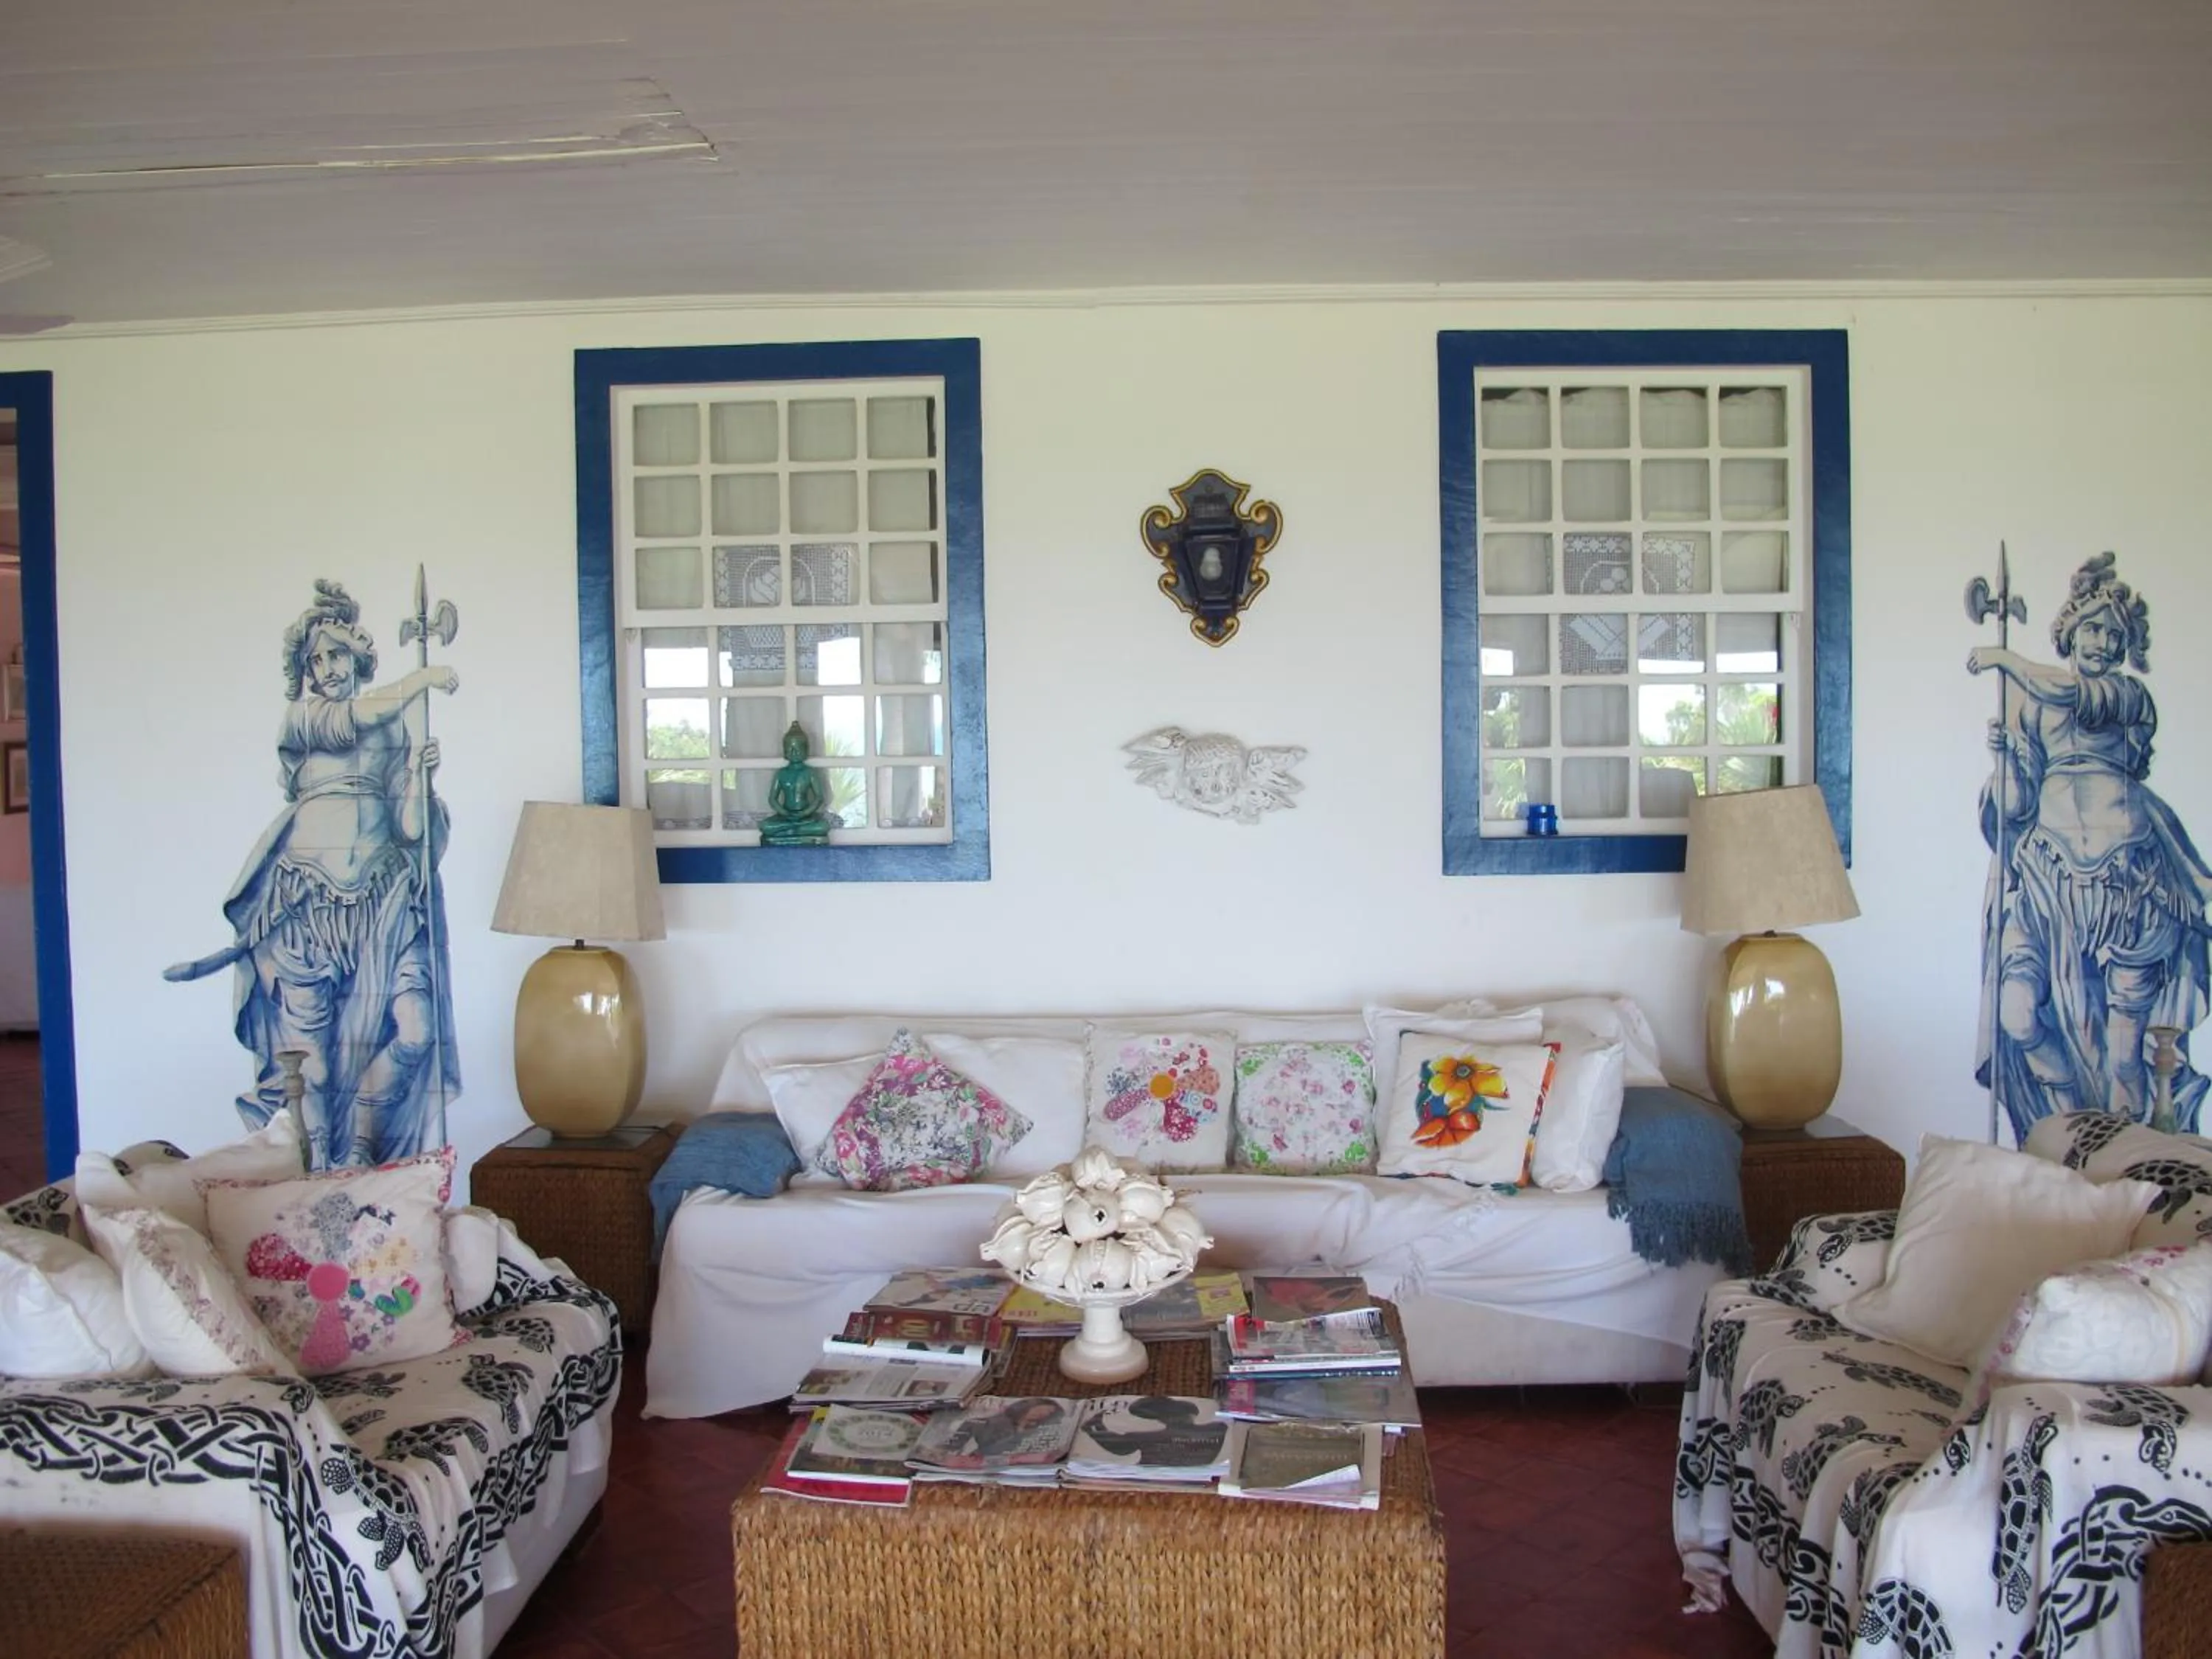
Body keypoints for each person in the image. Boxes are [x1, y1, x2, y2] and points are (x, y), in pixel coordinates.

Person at [167, 580, 461, 1167]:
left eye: (337, 654)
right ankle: (322, 1167)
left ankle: (360, 1141)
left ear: (358, 656)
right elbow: (357, 716)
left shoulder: (396, 725)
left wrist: (421, 780)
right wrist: (422, 680)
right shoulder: (305, 718)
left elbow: (409, 828)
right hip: (308, 909)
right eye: (316, 659)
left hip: (383, 904)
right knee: (314, 1063)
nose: (326, 667)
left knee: (415, 1030)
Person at [1968, 553, 2210, 1139]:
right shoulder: (2028, 704)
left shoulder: (2126, 698)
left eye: (2114, 634)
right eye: (2094, 628)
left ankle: (2121, 1158)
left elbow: (2074, 695)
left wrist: (2004, 657)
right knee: (2019, 1015)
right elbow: (2018, 806)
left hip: (2130, 888)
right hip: (2049, 886)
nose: (2103, 642)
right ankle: (2066, 1125)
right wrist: (2004, 760)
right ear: (2071, 630)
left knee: (2126, 1062)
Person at [759, 720, 832, 845]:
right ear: (784, 751)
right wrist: (785, 813)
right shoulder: (781, 773)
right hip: (786, 816)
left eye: (798, 749)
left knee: (822, 826)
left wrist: (805, 813)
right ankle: (794, 828)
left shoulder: (810, 773)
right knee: (766, 826)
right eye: (790, 749)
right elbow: (772, 799)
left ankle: (790, 830)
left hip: (806, 817)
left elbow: (819, 797)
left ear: (806, 750)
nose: (794, 753)